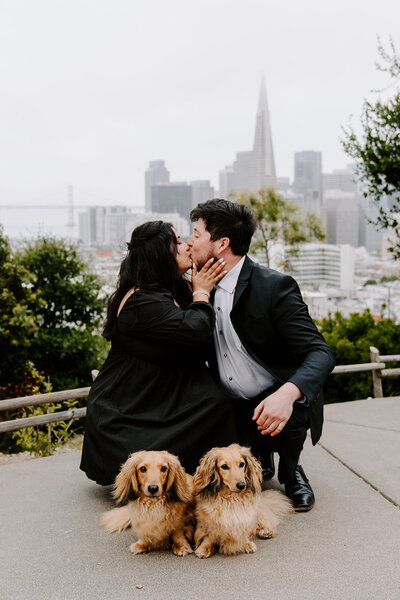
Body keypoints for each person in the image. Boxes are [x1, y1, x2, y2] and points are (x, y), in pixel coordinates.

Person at [187, 199, 335, 511]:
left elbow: (319, 352)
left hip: (273, 397)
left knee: (290, 410)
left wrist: (288, 393)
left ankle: (292, 469)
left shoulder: (274, 286)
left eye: (197, 234)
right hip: (229, 402)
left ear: (222, 243)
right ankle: (259, 457)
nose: (190, 242)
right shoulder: (199, 285)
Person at [80, 220, 236, 485]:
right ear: (160, 254)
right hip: (128, 410)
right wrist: (201, 292)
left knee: (219, 402)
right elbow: (195, 331)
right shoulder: (142, 301)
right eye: (176, 242)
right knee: (215, 405)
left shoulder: (168, 289)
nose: (186, 244)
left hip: (156, 398)